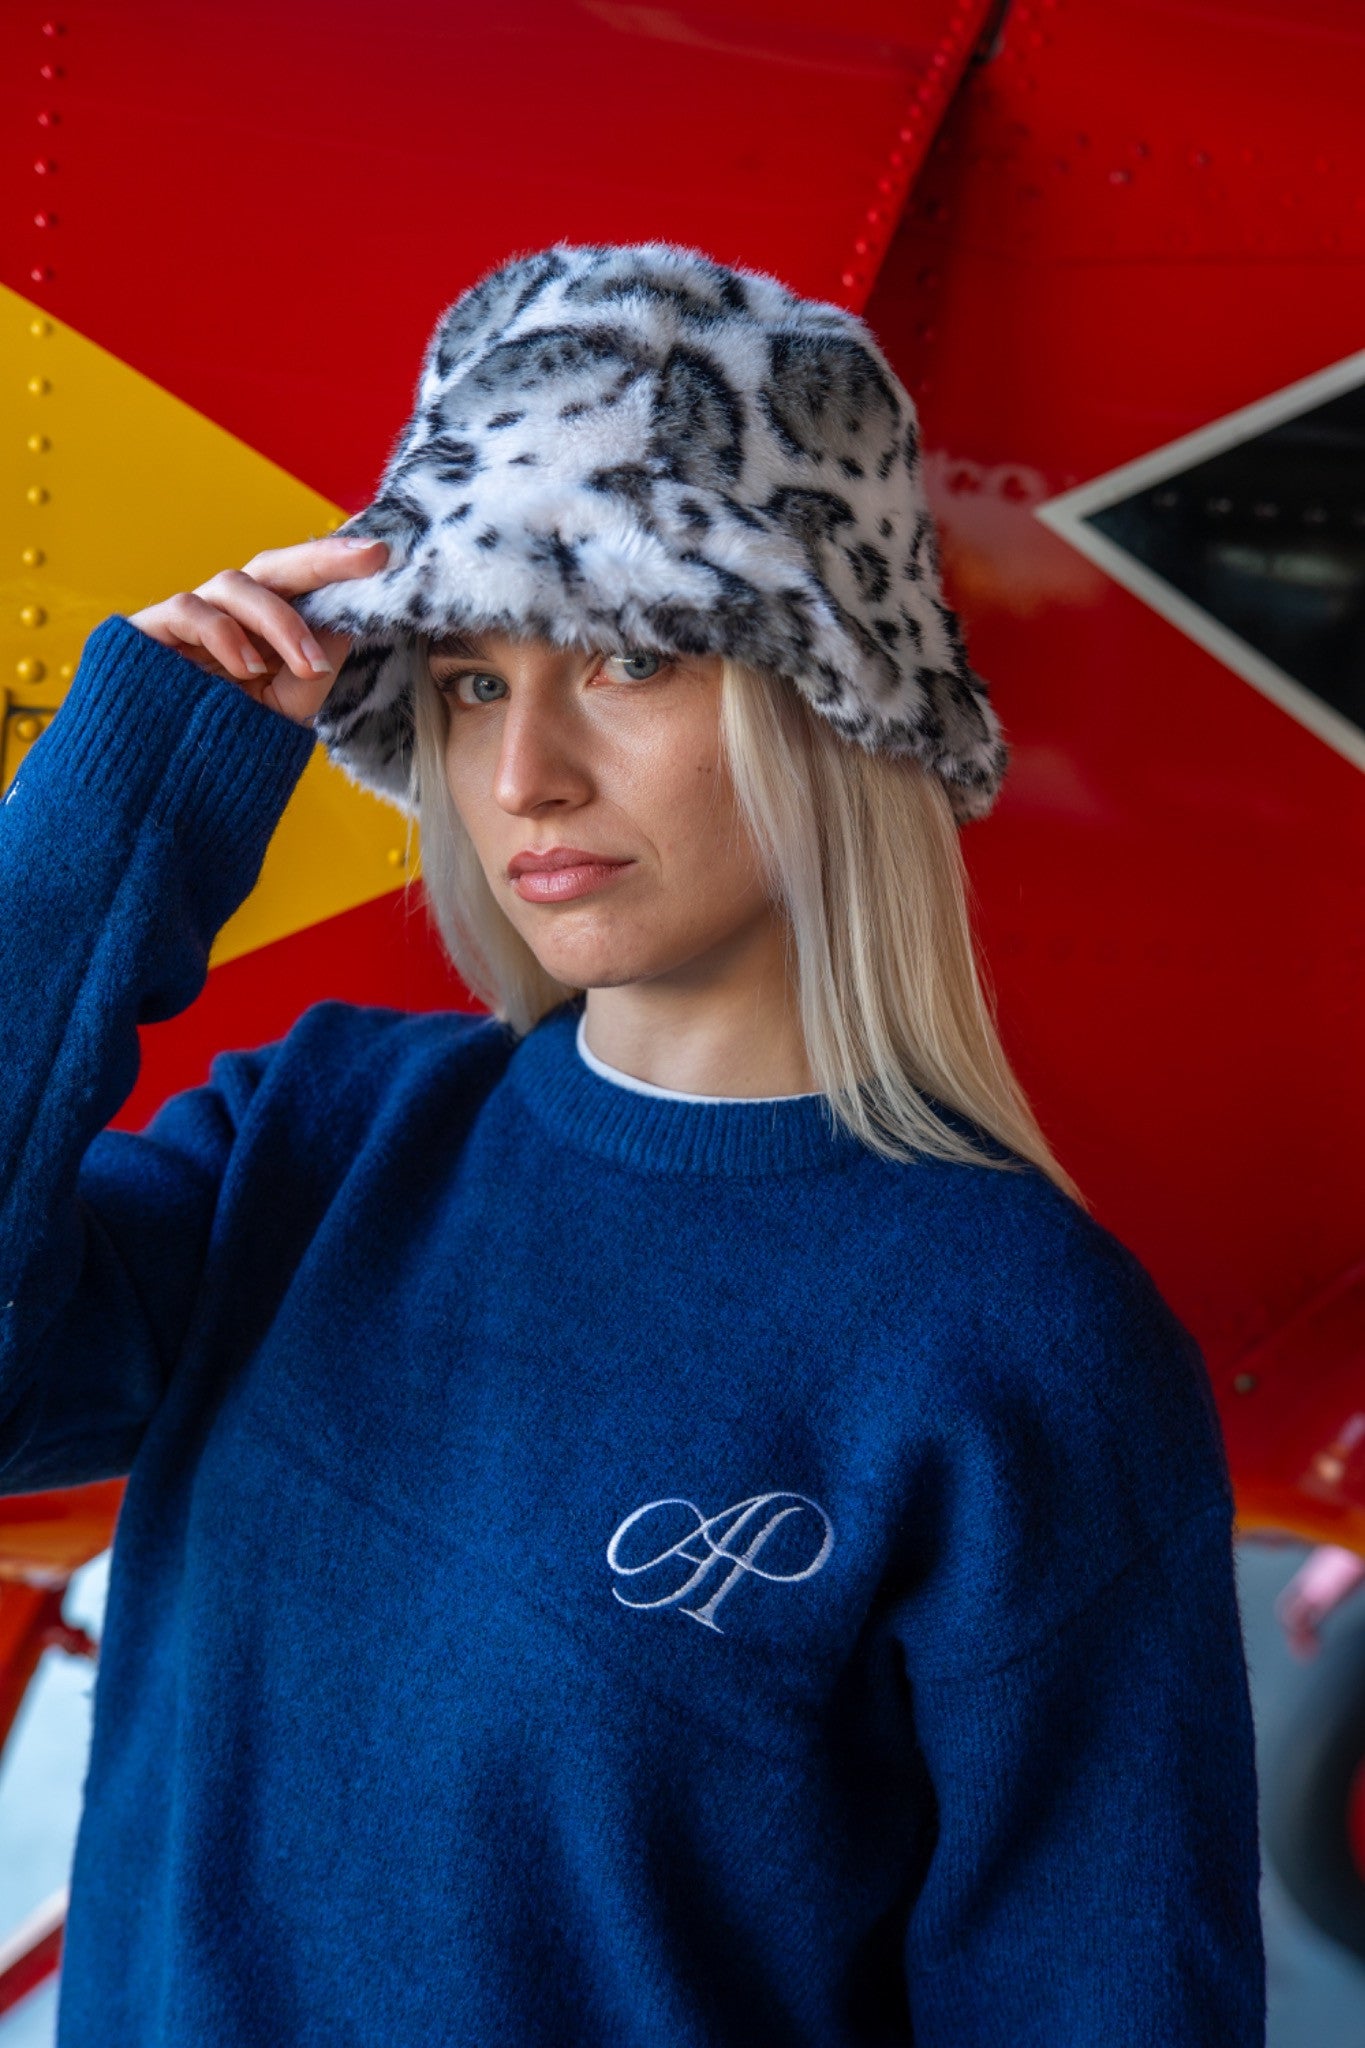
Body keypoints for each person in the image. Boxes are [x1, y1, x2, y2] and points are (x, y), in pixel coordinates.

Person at [0, 241, 1264, 2045]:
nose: (524, 776)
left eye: (631, 656)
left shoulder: (1020, 1345)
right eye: (468, 681)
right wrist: (114, 810)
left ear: (824, 697)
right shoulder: (318, 1138)